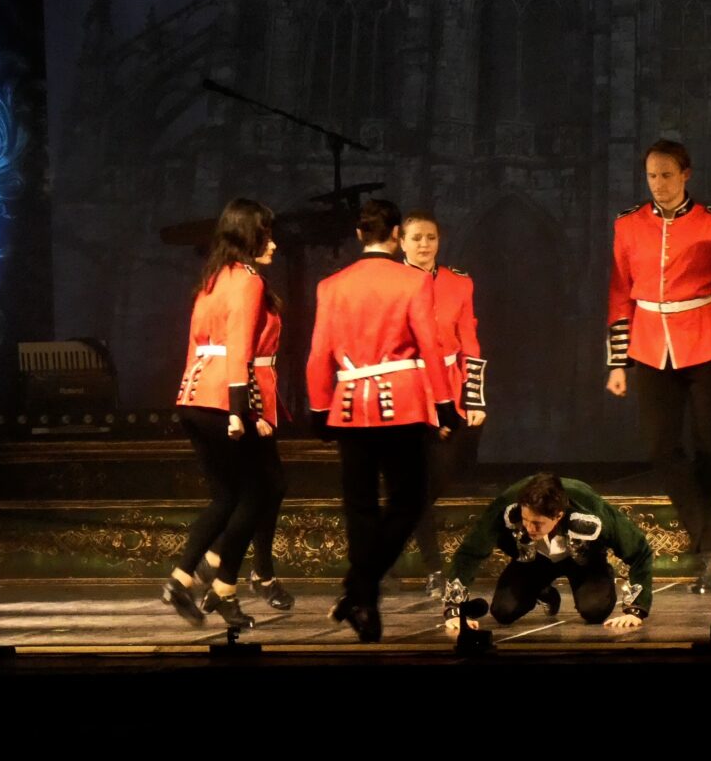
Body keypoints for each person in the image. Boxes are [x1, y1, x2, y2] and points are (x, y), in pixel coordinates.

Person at [606, 139, 711, 594]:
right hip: (649, 343)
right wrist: (617, 362)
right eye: (652, 175)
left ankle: (704, 534)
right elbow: (620, 293)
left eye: (667, 175)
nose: (659, 184)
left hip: (706, 338)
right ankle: (708, 542)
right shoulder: (628, 224)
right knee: (661, 445)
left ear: (686, 174)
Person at [306, 198, 462, 641]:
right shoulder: (414, 281)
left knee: (360, 506)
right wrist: (445, 404)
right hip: (403, 404)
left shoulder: (331, 285)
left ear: (360, 235)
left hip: (348, 405)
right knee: (408, 502)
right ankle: (360, 589)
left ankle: (363, 601)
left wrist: (319, 408)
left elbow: (318, 354)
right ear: (396, 235)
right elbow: (430, 346)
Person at [162, 198, 287, 630]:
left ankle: (188, 579)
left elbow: (196, 346)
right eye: (266, 234)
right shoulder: (247, 280)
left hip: (195, 396)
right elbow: (239, 348)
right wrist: (240, 410)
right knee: (257, 493)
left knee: (231, 496)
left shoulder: (212, 278)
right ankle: (219, 583)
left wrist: (191, 394)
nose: (273, 243)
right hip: (223, 399)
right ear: (249, 236)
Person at [397, 209, 487, 595]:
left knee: (438, 477)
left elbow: (470, 343)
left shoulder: (458, 283)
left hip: (448, 389)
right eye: (416, 238)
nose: (424, 245)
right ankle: (434, 567)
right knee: (415, 482)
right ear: (401, 241)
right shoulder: (390, 282)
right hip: (406, 390)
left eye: (430, 237)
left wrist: (475, 399)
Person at [440, 471, 651, 630]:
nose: (529, 528)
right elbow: (470, 551)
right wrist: (454, 610)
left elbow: (640, 551)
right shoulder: (507, 505)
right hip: (532, 560)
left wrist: (635, 611)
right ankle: (543, 591)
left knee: (595, 610)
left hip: (584, 561)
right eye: (525, 520)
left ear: (558, 515)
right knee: (503, 611)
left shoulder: (591, 508)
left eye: (537, 523)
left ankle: (598, 581)